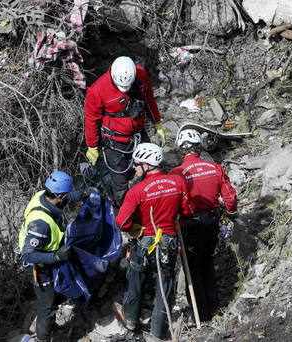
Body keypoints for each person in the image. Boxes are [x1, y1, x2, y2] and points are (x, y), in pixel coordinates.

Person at [114, 143, 193, 341]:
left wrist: (134, 229)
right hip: (168, 241)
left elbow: (121, 222)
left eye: (136, 163)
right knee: (164, 284)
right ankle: (158, 331)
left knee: (135, 279)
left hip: (143, 241)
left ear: (147, 165)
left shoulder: (137, 190)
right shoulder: (178, 182)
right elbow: (187, 211)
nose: (133, 167)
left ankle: (131, 321)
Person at [168, 129, 237, 322]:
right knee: (207, 262)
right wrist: (231, 213)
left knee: (193, 268)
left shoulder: (176, 174)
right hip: (211, 222)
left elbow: (171, 204)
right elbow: (230, 198)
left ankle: (202, 315)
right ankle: (214, 307)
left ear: (182, 151)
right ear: (199, 147)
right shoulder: (214, 168)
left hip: (189, 225)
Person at [84, 56, 166, 207]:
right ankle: (124, 213)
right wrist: (92, 146)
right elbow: (91, 119)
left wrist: (157, 124)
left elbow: (149, 99)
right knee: (120, 181)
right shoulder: (98, 90)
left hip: (138, 134)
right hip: (115, 140)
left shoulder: (140, 75)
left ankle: (153, 203)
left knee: (151, 168)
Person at [18, 171, 81, 342]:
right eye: (65, 195)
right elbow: (27, 255)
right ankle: (43, 338)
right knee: (48, 304)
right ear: (59, 195)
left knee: (56, 293)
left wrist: (83, 193)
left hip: (48, 256)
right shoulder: (41, 224)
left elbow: (66, 199)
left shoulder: (44, 195)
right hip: (38, 266)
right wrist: (55, 257)